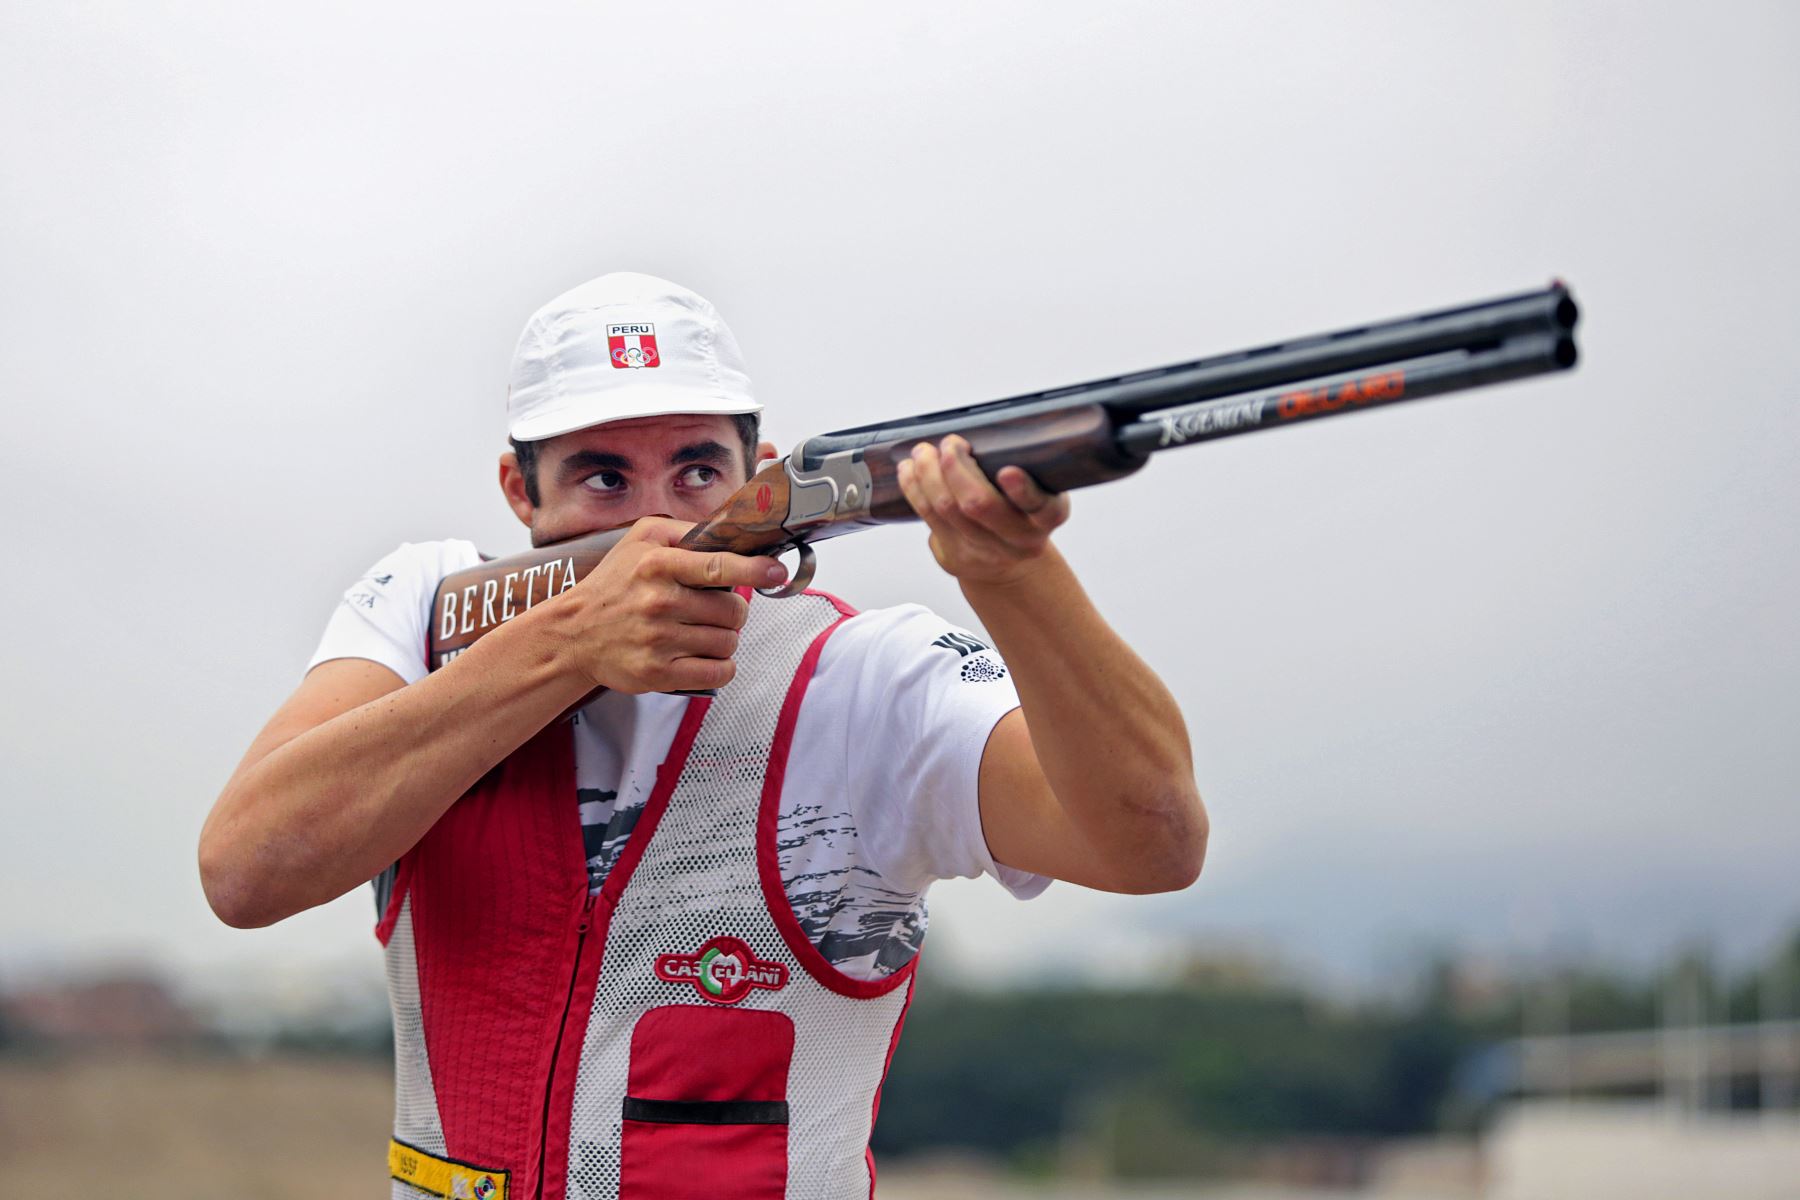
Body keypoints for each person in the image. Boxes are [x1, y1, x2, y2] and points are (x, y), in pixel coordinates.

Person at [199, 272, 1206, 1200]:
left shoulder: (868, 676)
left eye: (694, 472)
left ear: (758, 476)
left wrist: (1014, 575)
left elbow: (1153, 841)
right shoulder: (425, 613)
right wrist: (567, 649)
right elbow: (246, 870)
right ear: (519, 491)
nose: (657, 526)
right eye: (603, 479)